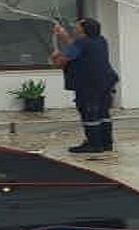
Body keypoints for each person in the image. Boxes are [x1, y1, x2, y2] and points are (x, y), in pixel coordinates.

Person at [51, 17, 119, 153]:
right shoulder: (101, 40)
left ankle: (94, 145)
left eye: (77, 26)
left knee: (89, 112)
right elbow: (76, 48)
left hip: (89, 84)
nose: (75, 27)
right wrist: (64, 36)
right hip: (106, 81)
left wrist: (55, 57)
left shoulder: (81, 43)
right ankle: (106, 143)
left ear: (83, 30)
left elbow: (62, 62)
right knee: (103, 112)